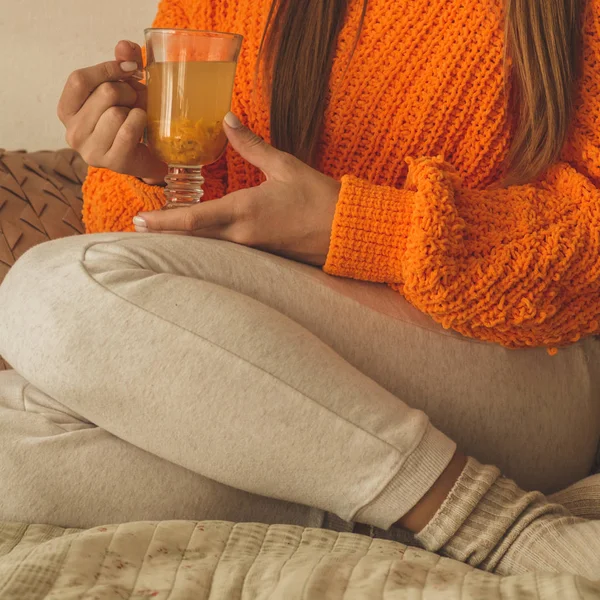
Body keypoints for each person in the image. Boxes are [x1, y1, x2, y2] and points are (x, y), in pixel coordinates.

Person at [1, 0, 600, 580]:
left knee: (50, 289)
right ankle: (381, 509)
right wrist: (155, 173)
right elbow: (144, 316)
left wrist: (360, 226)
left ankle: (493, 523)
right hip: (299, 371)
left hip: (518, 359)